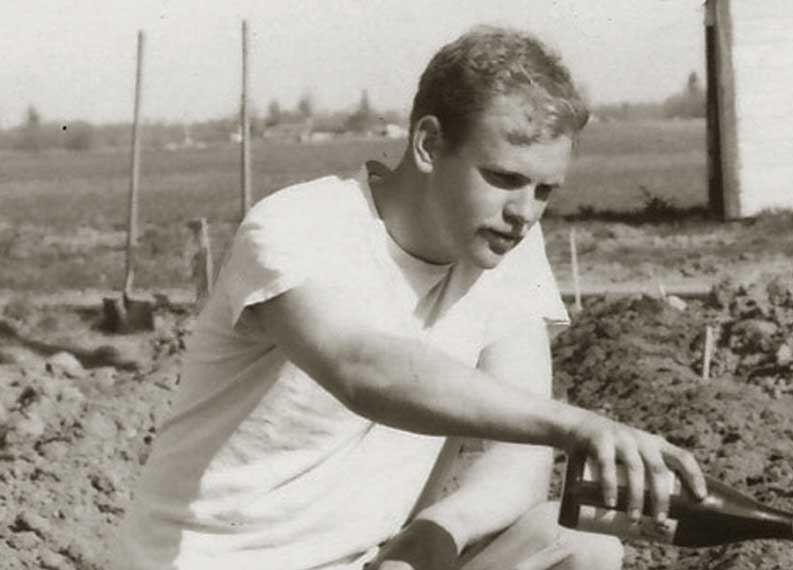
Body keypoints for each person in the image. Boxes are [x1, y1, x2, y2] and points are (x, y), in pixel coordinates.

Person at [112, 25, 706, 570]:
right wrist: (579, 426)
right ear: (427, 144)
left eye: (544, 189)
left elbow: (518, 460)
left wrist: (436, 531)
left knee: (580, 547)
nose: (524, 212)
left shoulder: (511, 250)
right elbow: (363, 370)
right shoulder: (298, 226)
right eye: (503, 178)